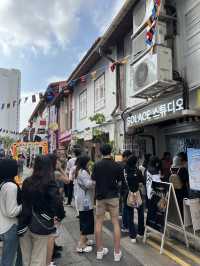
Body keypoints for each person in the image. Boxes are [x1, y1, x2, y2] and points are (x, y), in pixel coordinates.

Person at [18, 155, 65, 266]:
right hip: (41, 224)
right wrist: (60, 216)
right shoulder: (49, 183)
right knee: (38, 258)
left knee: (26, 259)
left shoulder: (27, 181)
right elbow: (57, 202)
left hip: (24, 223)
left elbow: (22, 201)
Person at [92, 144, 123, 262]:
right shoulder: (116, 165)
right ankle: (116, 252)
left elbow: (93, 180)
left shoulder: (97, 165)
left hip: (100, 197)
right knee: (115, 222)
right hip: (113, 196)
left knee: (99, 221)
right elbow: (120, 182)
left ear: (100, 152)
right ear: (111, 151)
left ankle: (99, 251)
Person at [0, 158, 22, 266]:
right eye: (16, 166)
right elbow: (11, 212)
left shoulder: (3, 183)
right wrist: (25, 205)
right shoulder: (11, 186)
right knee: (8, 259)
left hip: (4, 225)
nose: (18, 168)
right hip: (10, 227)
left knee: (10, 257)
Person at [74, 155, 95, 253]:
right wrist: (95, 181)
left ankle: (85, 240)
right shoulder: (83, 172)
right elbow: (88, 184)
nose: (89, 163)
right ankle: (81, 245)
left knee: (84, 220)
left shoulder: (79, 170)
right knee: (86, 221)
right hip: (85, 200)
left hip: (82, 199)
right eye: (88, 162)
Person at [121, 155, 145, 243]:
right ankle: (141, 232)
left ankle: (132, 236)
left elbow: (121, 183)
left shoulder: (124, 170)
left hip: (127, 195)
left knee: (129, 215)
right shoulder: (137, 171)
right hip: (137, 194)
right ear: (135, 162)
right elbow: (142, 182)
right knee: (140, 213)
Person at [120, 150, 132, 233]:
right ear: (125, 157)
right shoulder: (124, 166)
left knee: (126, 207)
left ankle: (125, 225)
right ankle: (125, 225)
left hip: (123, 189)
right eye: (129, 157)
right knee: (126, 208)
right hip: (125, 189)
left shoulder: (120, 165)